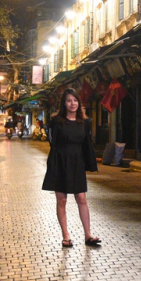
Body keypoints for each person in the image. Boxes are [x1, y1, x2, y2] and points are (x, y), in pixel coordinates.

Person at [42, 88, 101, 248]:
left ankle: (88, 235)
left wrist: (90, 163)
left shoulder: (85, 122)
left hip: (77, 162)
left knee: (81, 198)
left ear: (79, 103)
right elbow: (52, 142)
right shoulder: (56, 121)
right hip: (60, 162)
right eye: (69, 100)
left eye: (75, 100)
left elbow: (87, 144)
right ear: (64, 103)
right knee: (61, 200)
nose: (72, 103)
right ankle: (66, 236)